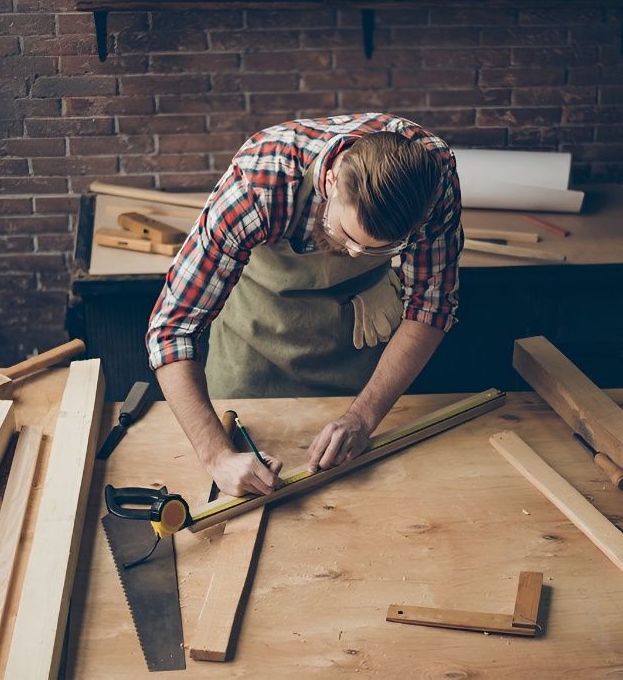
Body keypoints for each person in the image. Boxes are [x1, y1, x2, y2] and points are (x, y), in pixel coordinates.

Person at [146, 113, 463, 498]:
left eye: (380, 249)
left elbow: (432, 306)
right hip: (254, 349)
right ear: (330, 182)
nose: (355, 254)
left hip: (356, 349)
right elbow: (172, 329)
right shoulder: (261, 182)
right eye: (346, 235)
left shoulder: (434, 177)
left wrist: (362, 418)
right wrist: (216, 456)